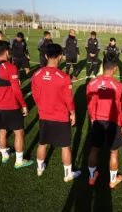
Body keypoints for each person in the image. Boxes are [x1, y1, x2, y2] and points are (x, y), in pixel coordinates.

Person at [32, 43, 81, 182]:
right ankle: (67, 174)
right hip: (60, 116)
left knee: (42, 143)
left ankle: (39, 168)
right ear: (60, 56)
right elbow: (68, 99)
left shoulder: (37, 74)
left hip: (44, 115)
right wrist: (73, 113)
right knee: (65, 146)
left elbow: (35, 95)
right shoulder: (64, 77)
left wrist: (42, 106)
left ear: (46, 56)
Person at [0, 40, 34, 169]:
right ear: (7, 51)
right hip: (11, 106)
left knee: (2, 130)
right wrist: (24, 105)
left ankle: (5, 155)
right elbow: (16, 90)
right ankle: (19, 161)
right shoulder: (10, 67)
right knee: (19, 133)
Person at [86, 53, 122, 188]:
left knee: (94, 149)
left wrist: (92, 118)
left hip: (97, 121)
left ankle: (92, 177)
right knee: (113, 152)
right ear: (115, 68)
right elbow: (121, 108)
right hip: (113, 122)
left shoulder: (92, 83)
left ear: (103, 66)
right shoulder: (119, 86)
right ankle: (113, 180)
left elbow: (89, 103)